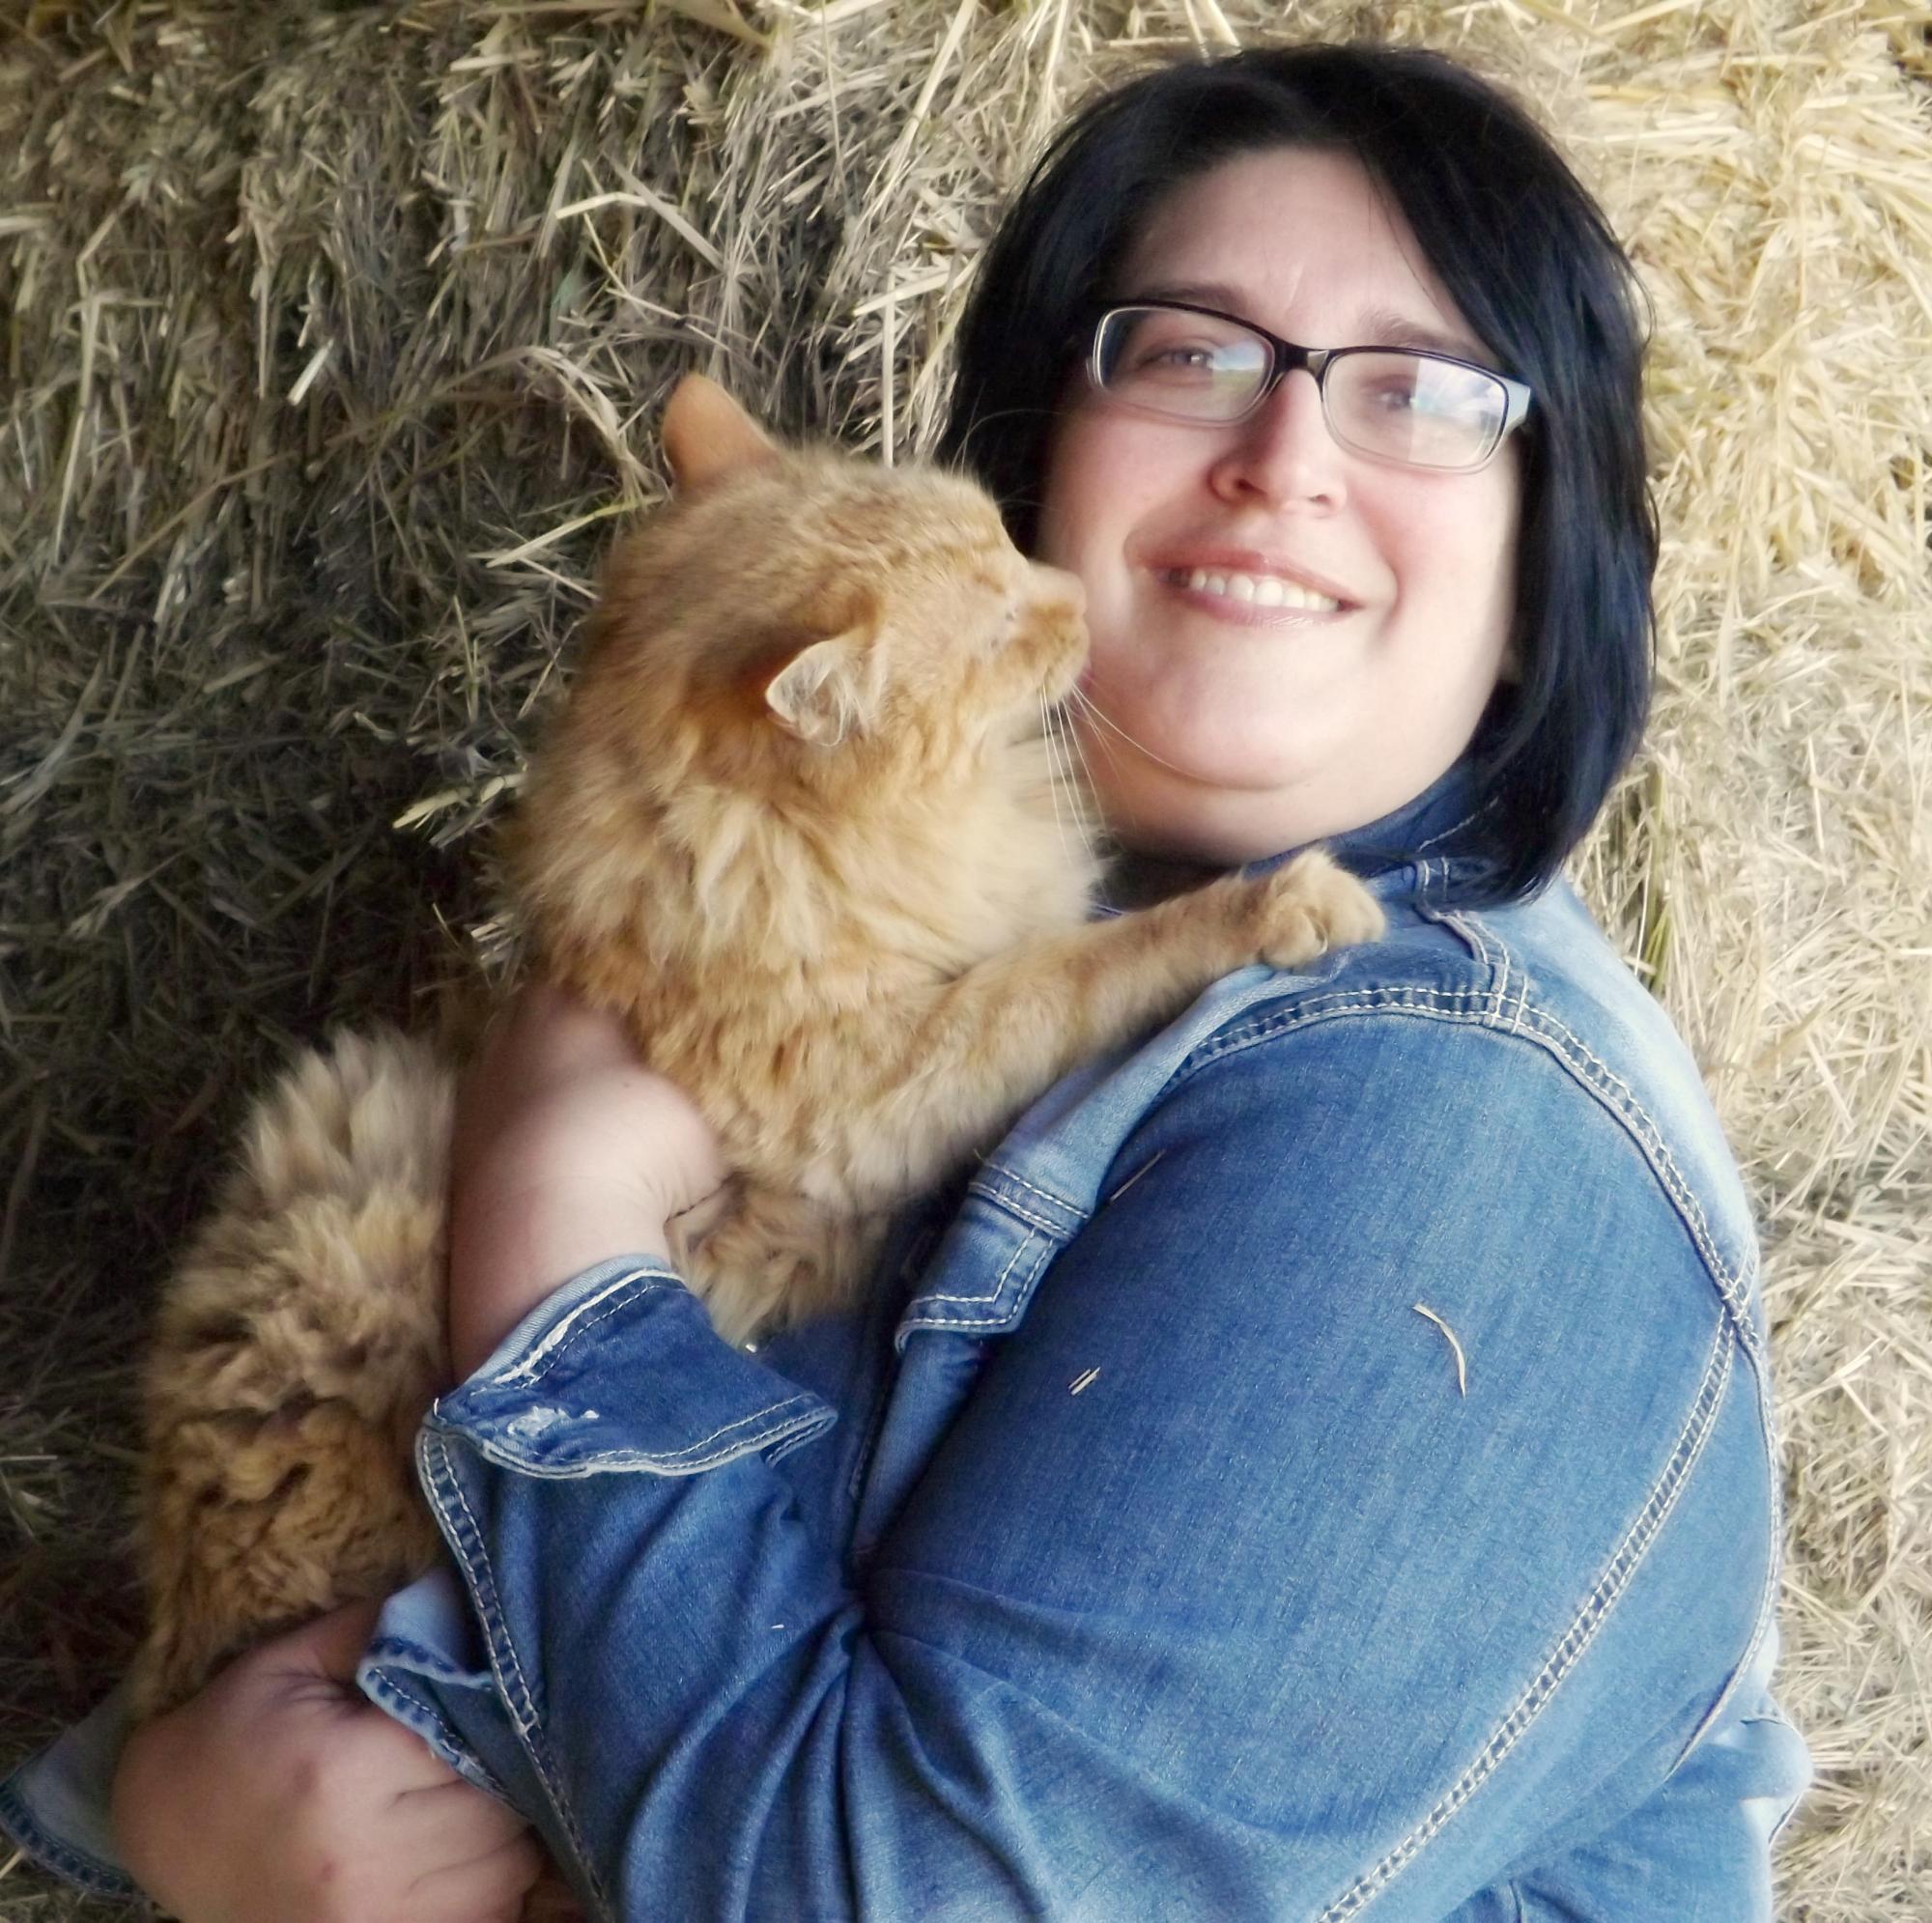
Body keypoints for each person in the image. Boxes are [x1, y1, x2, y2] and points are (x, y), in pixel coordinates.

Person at [15, 40, 1810, 1922]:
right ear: (1035, 456)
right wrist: (176, 1798)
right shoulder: (946, 961)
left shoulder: (1451, 1114)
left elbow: (893, 1896)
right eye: (1190, 350)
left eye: (1423, 392)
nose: (1284, 462)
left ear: (1547, 552)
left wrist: (553, 1271)